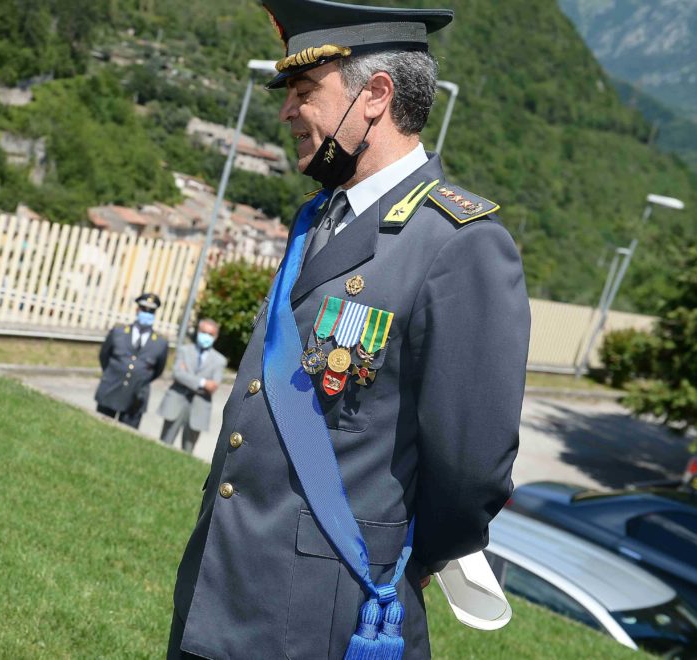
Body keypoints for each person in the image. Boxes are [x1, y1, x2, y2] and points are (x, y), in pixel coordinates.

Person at [167, 2, 530, 659]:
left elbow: (470, 472)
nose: (287, 111)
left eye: (305, 90)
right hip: (222, 591)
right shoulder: (318, 220)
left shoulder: (458, 244)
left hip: (322, 616)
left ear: (376, 96)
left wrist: (401, 553)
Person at [95, 293, 170, 429]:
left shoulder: (160, 342)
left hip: (136, 399)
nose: (146, 314)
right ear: (137, 310)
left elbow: (158, 370)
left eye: (151, 311)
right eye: (144, 309)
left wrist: (139, 377)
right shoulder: (118, 332)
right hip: (110, 390)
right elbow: (104, 356)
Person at [157, 319, 227, 455]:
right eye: (203, 332)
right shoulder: (184, 350)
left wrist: (187, 377)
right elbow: (177, 374)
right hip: (176, 402)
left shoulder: (219, 360)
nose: (206, 336)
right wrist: (203, 383)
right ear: (198, 332)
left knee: (188, 450)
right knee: (164, 443)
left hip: (199, 407)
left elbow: (213, 386)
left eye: (210, 334)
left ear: (216, 337)